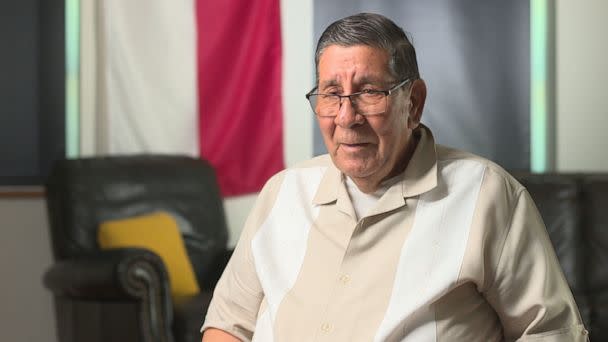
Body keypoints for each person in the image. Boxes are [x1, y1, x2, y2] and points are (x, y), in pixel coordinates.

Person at [201, 13, 587, 341]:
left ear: (413, 103)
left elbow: (552, 332)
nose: (346, 118)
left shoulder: (488, 195)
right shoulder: (282, 192)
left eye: (369, 92)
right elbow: (227, 324)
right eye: (331, 93)